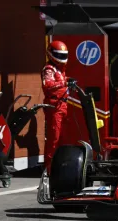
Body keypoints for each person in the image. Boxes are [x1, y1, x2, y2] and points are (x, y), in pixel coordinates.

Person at [42, 40, 72, 174]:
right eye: (58, 55)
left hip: (63, 105)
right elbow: (48, 85)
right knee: (54, 138)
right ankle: (49, 169)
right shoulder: (49, 69)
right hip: (54, 106)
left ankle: (61, 166)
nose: (61, 58)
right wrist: (64, 83)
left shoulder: (60, 70)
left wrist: (69, 81)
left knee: (64, 138)